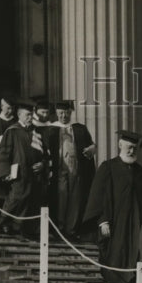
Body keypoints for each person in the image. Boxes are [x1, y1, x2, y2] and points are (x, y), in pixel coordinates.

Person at [81, 130, 142, 283]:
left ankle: (130, 282)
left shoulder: (140, 172)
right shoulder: (108, 167)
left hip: (135, 222)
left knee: (134, 250)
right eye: (128, 147)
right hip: (114, 221)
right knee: (113, 250)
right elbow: (98, 196)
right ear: (120, 145)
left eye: (134, 148)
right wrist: (102, 220)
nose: (131, 151)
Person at [0, 100, 50, 236]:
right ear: (19, 115)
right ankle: (4, 223)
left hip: (34, 174)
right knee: (15, 198)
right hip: (19, 172)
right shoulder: (12, 131)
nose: (30, 118)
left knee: (31, 200)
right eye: (27, 115)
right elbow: (4, 153)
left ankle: (21, 228)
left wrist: (43, 164)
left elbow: (45, 154)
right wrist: (5, 172)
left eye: (31, 115)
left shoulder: (36, 133)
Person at [52, 100, 97, 239]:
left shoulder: (80, 129)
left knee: (75, 199)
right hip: (58, 169)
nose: (63, 116)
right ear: (56, 113)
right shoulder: (50, 129)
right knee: (61, 197)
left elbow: (91, 146)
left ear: (71, 113)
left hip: (76, 167)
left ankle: (71, 230)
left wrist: (92, 148)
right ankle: (58, 228)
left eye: (66, 113)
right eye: (60, 113)